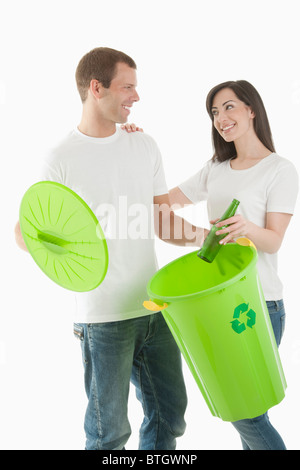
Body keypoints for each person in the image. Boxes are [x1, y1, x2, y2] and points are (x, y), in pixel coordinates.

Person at [14, 47, 205, 450]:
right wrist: (51, 248)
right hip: (102, 320)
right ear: (96, 88)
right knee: (108, 434)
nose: (136, 97)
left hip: (155, 308)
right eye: (128, 87)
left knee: (169, 416)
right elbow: (26, 231)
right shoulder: (60, 157)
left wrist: (209, 237)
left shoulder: (144, 145)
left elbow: (163, 221)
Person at [123, 79, 298, 450]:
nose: (222, 118)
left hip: (259, 303)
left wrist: (248, 228)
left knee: (245, 411)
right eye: (215, 112)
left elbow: (274, 240)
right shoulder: (216, 168)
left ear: (252, 109)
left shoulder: (280, 170)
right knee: (241, 405)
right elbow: (162, 200)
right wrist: (133, 148)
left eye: (230, 107)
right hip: (216, 303)